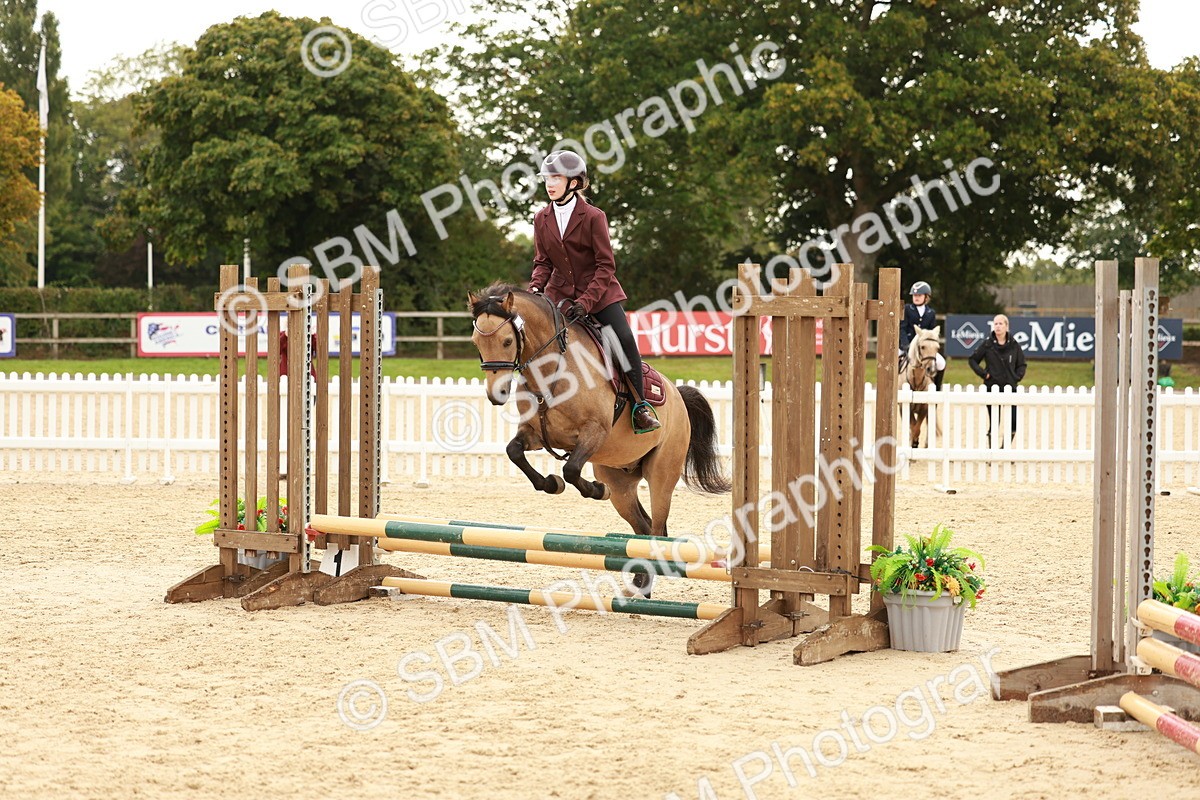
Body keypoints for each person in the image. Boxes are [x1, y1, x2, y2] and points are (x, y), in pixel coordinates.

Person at [528, 150, 660, 433]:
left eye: (556, 178)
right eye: (547, 178)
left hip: (599, 296)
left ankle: (640, 406)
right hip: (559, 296)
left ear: (574, 182)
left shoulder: (593, 216)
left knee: (623, 339)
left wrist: (586, 302)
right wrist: (535, 289)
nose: (549, 184)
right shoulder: (541, 218)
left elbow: (605, 266)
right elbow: (543, 263)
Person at [968, 314, 1027, 446]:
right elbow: (972, 360)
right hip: (992, 387)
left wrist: (1017, 377)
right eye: (996, 324)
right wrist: (984, 374)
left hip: (1010, 388)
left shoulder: (1014, 345)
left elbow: (1022, 364)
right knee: (995, 421)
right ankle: (992, 451)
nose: (998, 326)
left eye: (1001, 324)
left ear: (1007, 326)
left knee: (1013, 422)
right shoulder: (988, 344)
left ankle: (1005, 448)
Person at [900, 281, 945, 388]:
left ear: (926, 297)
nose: (916, 297)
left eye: (919, 295)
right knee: (892, 360)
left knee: (941, 363)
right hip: (906, 345)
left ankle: (936, 388)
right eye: (915, 295)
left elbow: (932, 333)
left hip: (924, 349)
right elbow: (902, 328)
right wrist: (906, 345)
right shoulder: (907, 309)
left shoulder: (930, 313)